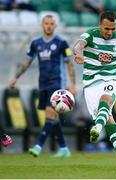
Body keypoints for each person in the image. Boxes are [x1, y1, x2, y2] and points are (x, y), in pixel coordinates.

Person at [73, 10, 116, 171]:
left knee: (106, 99)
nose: (110, 32)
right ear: (100, 25)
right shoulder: (90, 35)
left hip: (110, 78)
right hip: (90, 84)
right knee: (109, 122)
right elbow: (78, 45)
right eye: (107, 29)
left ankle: (97, 127)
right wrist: (78, 54)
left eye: (113, 28)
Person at [9, 15, 76, 157]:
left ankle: (38, 146)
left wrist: (72, 85)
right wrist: (15, 77)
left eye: (51, 24)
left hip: (57, 83)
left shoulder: (61, 43)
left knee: (51, 113)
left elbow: (69, 63)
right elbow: (27, 62)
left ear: (55, 25)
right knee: (51, 116)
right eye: (46, 23)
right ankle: (64, 148)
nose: (49, 26)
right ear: (42, 25)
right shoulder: (36, 43)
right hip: (43, 83)